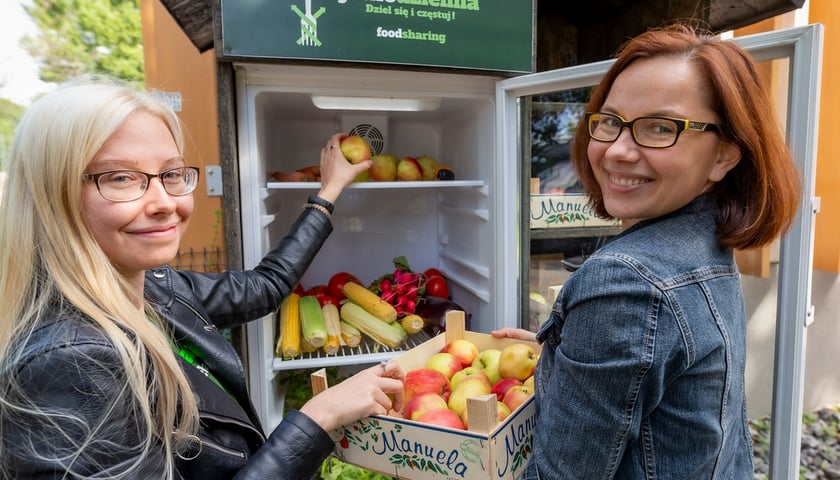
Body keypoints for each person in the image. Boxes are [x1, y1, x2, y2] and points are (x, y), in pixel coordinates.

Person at [0, 76, 404, 480]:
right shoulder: (68, 363)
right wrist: (317, 420)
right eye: (120, 177)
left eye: (172, 174)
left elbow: (264, 287)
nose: (164, 203)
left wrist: (329, 191)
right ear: (52, 195)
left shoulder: (155, 288)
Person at [494, 23, 800, 479]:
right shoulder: (703, 241)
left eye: (660, 128)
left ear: (724, 156)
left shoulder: (627, 280)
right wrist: (567, 356)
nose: (617, 150)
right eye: (611, 121)